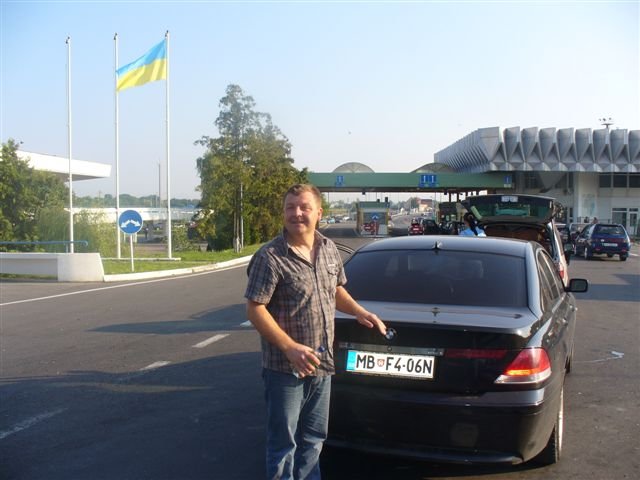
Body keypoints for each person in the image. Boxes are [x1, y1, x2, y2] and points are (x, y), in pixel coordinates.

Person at [245, 183, 387, 480]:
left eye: (304, 207)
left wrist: (360, 311)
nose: (296, 213)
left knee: (314, 439)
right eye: (290, 207)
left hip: (322, 364)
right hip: (284, 369)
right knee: (283, 444)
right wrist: (290, 348)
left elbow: (335, 290)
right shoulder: (269, 257)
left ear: (319, 213)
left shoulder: (328, 249)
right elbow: (255, 309)